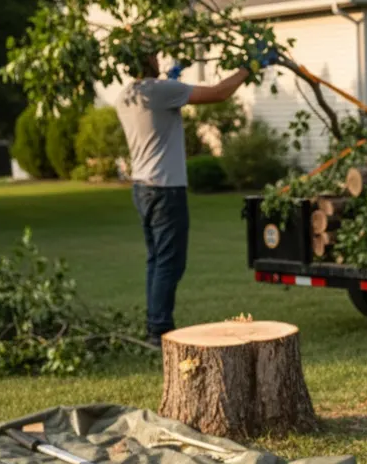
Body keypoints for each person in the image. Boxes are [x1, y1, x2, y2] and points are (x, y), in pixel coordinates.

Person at [114, 48, 272, 345]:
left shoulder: (127, 95)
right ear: (145, 61)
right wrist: (248, 68)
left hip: (142, 187)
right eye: (152, 56)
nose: (158, 61)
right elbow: (220, 93)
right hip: (165, 188)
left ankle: (155, 323)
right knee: (170, 262)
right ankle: (159, 330)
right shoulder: (159, 91)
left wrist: (172, 81)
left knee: (157, 259)